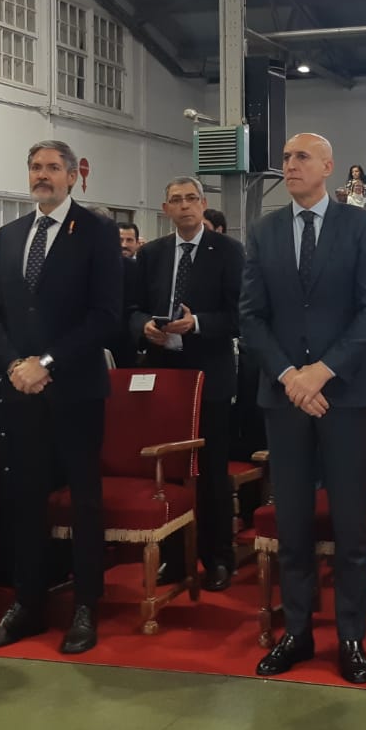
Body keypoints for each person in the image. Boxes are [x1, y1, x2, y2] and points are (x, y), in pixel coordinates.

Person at [242, 133, 366, 685]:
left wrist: (320, 373)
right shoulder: (264, 230)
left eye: (301, 157)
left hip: (345, 394)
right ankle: (297, 631)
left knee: (350, 522)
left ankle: (350, 634)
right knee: (293, 522)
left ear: (329, 166)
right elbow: (252, 316)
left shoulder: (361, 227)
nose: (290, 165)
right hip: (284, 396)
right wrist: (288, 376)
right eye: (285, 158)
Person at [0, 141, 123, 656]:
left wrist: (48, 363)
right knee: (26, 499)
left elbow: (105, 314)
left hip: (76, 390)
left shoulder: (97, 231)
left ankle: (85, 604)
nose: (43, 175)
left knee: (83, 500)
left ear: (73, 175)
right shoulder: (11, 236)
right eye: (35, 167)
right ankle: (28, 602)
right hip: (21, 391)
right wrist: (16, 364)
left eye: (53, 168)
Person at [129, 175, 245, 592]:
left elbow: (241, 315)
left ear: (202, 203)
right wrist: (143, 326)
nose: (184, 206)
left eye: (192, 199)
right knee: (169, 470)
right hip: (164, 373)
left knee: (211, 470)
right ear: (166, 210)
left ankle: (218, 558)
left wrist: (196, 323)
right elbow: (131, 308)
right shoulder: (153, 254)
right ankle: (176, 558)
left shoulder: (228, 252)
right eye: (175, 200)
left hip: (209, 374)